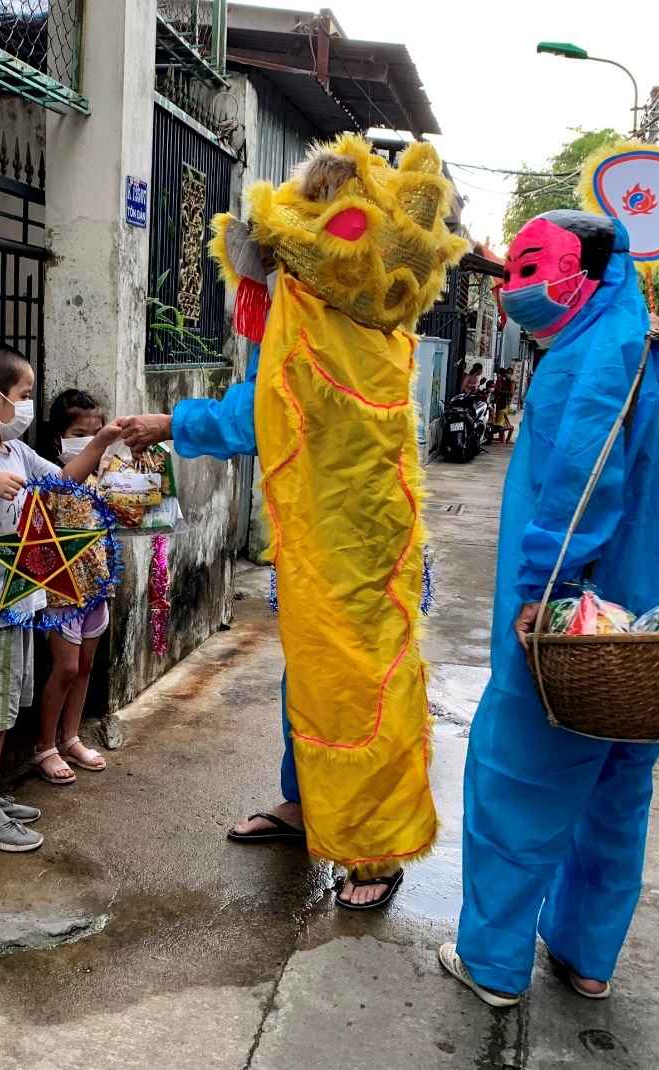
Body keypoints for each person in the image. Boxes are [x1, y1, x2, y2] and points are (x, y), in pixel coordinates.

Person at [125, 135, 468, 909]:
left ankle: (373, 849)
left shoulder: (359, 318)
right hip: (315, 537)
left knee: (362, 686)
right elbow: (269, 405)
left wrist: (169, 421)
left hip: (365, 540)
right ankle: (305, 802)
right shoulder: (320, 308)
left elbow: (267, 412)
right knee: (311, 679)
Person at [438, 211, 659, 1005]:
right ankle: (586, 956)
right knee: (617, 790)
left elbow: (579, 485)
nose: (513, 287)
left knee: (518, 783)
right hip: (654, 632)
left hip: (574, 623)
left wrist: (544, 588)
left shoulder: (589, 357)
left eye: (528, 266)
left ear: (585, 271)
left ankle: (494, 963)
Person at [0, 344, 122, 852]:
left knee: (7, 705)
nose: (28, 406)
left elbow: (62, 482)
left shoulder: (16, 453)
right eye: (24, 395)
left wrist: (101, 441)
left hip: (18, 605)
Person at [32, 388, 114, 785]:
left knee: (84, 666)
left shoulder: (104, 475)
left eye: (97, 432)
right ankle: (44, 746)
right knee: (64, 667)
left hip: (96, 584)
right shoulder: (48, 475)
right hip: (59, 589)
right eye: (81, 433)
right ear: (58, 436)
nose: (91, 439)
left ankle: (70, 737)